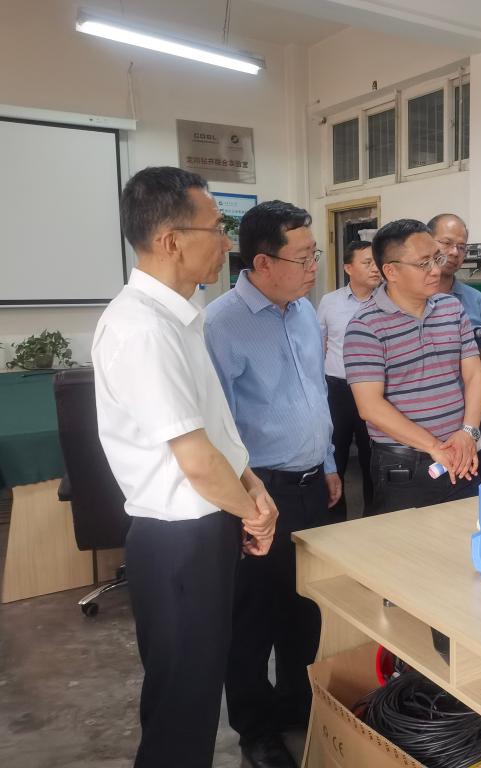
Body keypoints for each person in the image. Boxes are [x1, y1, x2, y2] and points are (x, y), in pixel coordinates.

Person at [92, 166, 278, 768]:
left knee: (195, 692)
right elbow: (195, 461)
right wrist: (253, 513)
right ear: (171, 240)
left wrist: (251, 486)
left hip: (206, 526)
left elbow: (214, 432)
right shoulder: (142, 329)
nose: (227, 242)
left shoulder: (179, 317)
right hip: (178, 541)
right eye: (217, 228)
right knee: (181, 703)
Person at [203, 200, 340, 768]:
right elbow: (216, 429)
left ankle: (295, 708)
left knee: (304, 609)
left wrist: (328, 462)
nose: (314, 267)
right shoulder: (221, 325)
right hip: (261, 495)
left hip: (311, 486)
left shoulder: (303, 312)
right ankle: (255, 730)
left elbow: (316, 394)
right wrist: (244, 504)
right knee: (253, 618)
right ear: (262, 262)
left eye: (315, 254)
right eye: (303, 257)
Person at [344, 219, 481, 516]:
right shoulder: (365, 326)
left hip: (462, 453)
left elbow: (474, 375)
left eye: (436, 258)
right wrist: (433, 446)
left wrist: (468, 432)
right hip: (404, 466)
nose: (436, 270)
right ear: (391, 271)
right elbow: (370, 406)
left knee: (466, 533)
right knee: (406, 542)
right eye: (423, 263)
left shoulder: (451, 308)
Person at [315, 240, 382, 521]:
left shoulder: (387, 300)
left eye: (376, 262)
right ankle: (334, 521)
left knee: (373, 458)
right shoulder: (330, 302)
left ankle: (374, 519)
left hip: (376, 391)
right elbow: (319, 342)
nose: (375, 268)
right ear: (348, 268)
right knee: (335, 455)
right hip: (337, 390)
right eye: (367, 263)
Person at [428, 213, 481, 405]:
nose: (455, 252)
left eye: (462, 247)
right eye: (446, 243)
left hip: (466, 411)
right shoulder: (409, 297)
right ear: (426, 241)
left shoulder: (475, 300)